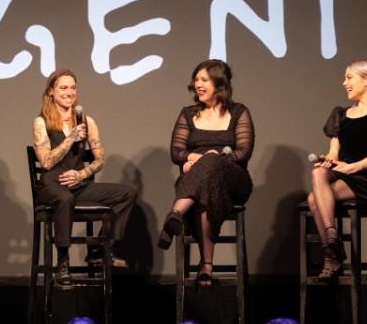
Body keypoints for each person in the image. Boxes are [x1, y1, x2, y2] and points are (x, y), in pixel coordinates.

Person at [32, 70, 137, 288]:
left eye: (72, 87)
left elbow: (100, 159)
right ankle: (63, 262)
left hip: (78, 184)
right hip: (52, 184)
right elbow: (46, 162)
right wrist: (70, 139)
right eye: (63, 88)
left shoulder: (87, 121)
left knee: (126, 193)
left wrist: (82, 174)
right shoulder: (41, 122)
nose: (69, 92)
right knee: (64, 199)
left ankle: (99, 251)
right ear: (51, 91)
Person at [158, 59, 254, 288]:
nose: (197, 84)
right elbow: (176, 152)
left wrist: (213, 159)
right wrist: (195, 159)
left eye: (204, 80)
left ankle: (176, 212)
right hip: (197, 181)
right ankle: (206, 266)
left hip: (233, 180)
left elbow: (243, 152)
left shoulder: (239, 112)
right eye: (196, 80)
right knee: (203, 191)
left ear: (219, 83)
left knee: (210, 164)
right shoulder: (188, 113)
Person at [306, 59, 367, 281]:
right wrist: (327, 160)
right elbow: (334, 153)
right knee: (317, 172)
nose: (344, 83)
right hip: (344, 173)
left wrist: (353, 167)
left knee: (313, 200)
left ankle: (332, 257)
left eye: (349, 77)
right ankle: (332, 238)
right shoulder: (340, 114)